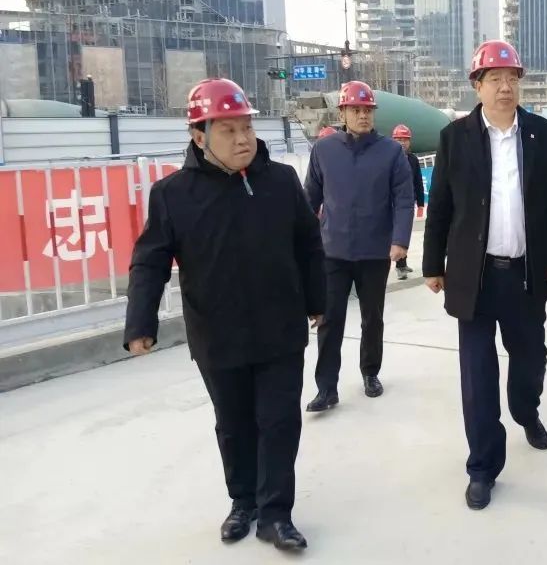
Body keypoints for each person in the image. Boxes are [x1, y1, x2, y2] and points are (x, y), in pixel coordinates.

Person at [123, 78, 324, 551]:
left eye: (247, 128)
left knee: (279, 422)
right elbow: (150, 260)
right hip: (217, 334)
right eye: (228, 130)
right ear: (199, 136)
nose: (242, 139)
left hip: (279, 329)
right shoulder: (173, 195)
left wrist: (318, 302)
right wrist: (140, 323)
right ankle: (243, 503)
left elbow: (308, 245)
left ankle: (276, 515)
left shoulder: (281, 181)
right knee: (233, 424)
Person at [423, 39, 547, 511]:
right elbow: (441, 205)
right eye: (495, 79)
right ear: (478, 86)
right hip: (474, 275)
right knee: (477, 375)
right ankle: (482, 467)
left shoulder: (542, 135)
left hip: (526, 273)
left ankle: (526, 411)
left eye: (512, 78)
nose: (505, 87)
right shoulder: (455, 138)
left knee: (530, 359)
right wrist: (432, 263)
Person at [304, 81, 414, 410]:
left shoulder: (391, 152)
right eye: (356, 110)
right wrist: (303, 242)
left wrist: (399, 240)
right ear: (343, 113)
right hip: (333, 251)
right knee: (329, 320)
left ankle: (370, 373)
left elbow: (404, 199)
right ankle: (326, 388)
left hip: (374, 251)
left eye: (367, 110)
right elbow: (309, 198)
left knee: (372, 318)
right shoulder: (324, 150)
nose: (363, 115)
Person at [392, 123, 426, 281]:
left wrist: (420, 203)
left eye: (405, 139)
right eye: (398, 139)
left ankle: (402, 263)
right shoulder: (389, 159)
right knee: (396, 234)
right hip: (393, 204)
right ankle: (399, 266)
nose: (402, 142)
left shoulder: (413, 160)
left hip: (408, 204)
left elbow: (418, 182)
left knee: (405, 234)